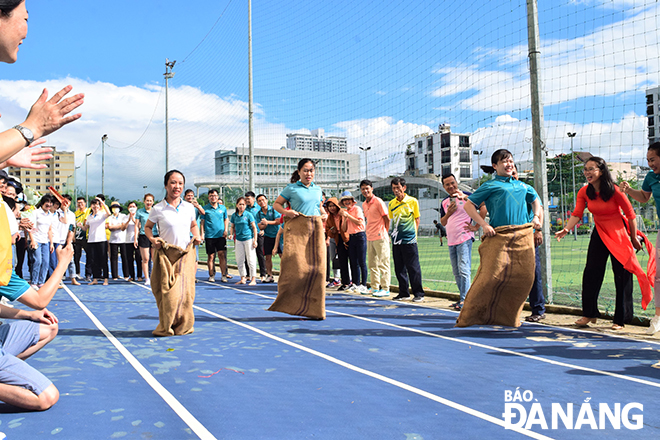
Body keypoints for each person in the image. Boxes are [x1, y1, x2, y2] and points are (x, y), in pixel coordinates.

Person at [557, 157, 651, 330]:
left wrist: (632, 238)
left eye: (591, 169)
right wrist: (566, 229)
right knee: (591, 272)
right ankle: (589, 314)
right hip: (599, 232)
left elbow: (630, 215)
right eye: (585, 169)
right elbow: (577, 213)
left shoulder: (615, 191)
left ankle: (620, 319)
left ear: (601, 171)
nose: (587, 173)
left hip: (619, 233)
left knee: (621, 275)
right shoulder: (584, 192)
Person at [460, 149, 543, 328]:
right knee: (491, 276)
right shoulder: (490, 186)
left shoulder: (522, 186)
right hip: (500, 237)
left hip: (523, 237)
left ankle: (510, 316)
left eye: (511, 161)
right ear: (495, 166)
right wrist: (484, 224)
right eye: (504, 161)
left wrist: (536, 217)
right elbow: (469, 205)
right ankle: (474, 314)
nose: (509, 164)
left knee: (525, 277)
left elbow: (536, 199)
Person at [144, 170, 201, 337]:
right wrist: (153, 239)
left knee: (186, 294)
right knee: (168, 294)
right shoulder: (158, 209)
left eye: (180, 183)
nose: (177, 187)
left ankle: (183, 325)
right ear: (166, 185)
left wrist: (197, 236)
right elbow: (147, 227)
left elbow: (192, 226)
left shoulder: (189, 207)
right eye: (173, 183)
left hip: (185, 255)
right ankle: (166, 326)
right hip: (166, 256)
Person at [269, 158, 327, 319]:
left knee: (319, 271)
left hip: (315, 232)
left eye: (311, 170)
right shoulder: (291, 188)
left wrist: (324, 214)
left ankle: (316, 309)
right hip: (297, 233)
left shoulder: (317, 189)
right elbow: (277, 204)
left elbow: (319, 206)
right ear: (299, 171)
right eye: (306, 170)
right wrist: (287, 213)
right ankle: (291, 303)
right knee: (297, 269)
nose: (309, 174)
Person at [620, 141, 660, 334]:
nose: (650, 164)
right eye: (648, 160)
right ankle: (658, 317)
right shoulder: (651, 177)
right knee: (658, 275)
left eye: (653, 159)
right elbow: (644, 197)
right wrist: (628, 191)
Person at [440, 174, 486, 310]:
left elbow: (483, 207)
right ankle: (462, 298)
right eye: (447, 184)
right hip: (451, 240)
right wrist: (448, 213)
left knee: (464, 269)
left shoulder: (467, 196)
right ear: (444, 187)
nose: (451, 186)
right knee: (456, 271)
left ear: (457, 182)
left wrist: (477, 226)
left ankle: (466, 300)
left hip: (464, 237)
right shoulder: (444, 202)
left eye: (452, 183)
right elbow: (443, 221)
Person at [388, 177, 424, 302]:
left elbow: (417, 218)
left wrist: (414, 235)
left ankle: (418, 293)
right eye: (394, 188)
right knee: (399, 267)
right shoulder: (392, 203)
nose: (396, 190)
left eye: (398, 188)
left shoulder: (412, 201)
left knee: (413, 267)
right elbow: (392, 220)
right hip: (397, 240)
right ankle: (403, 292)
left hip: (410, 240)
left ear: (404, 187)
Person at [360, 180, 391, 298]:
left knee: (384, 263)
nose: (365, 191)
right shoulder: (364, 204)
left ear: (372, 189)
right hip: (369, 236)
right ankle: (374, 287)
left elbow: (386, 218)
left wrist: (385, 232)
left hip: (380, 236)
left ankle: (385, 288)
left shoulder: (378, 201)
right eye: (363, 189)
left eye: (367, 188)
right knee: (372, 264)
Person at [339, 191, 368, 294]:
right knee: (353, 262)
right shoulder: (345, 212)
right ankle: (355, 283)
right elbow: (344, 228)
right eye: (344, 200)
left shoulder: (357, 209)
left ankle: (363, 284)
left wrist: (348, 216)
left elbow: (359, 222)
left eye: (348, 200)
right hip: (351, 237)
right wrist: (345, 218)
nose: (347, 202)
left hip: (360, 236)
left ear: (352, 201)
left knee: (361, 261)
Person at [200, 189, 229, 283]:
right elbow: (202, 222)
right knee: (211, 256)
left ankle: (223, 275)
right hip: (210, 236)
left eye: (215, 196)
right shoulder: (205, 208)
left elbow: (226, 219)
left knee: (222, 255)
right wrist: (202, 234)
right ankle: (211, 275)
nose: (213, 197)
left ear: (218, 197)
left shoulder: (223, 208)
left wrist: (225, 230)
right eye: (211, 196)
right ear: (209, 197)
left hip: (220, 236)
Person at [230, 197, 258, 286]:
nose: (241, 206)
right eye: (240, 204)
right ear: (237, 205)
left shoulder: (249, 215)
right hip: (238, 239)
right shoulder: (234, 216)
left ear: (245, 206)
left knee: (251, 259)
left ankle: (253, 278)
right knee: (239, 259)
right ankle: (243, 278)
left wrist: (255, 240)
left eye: (243, 204)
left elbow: (254, 228)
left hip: (249, 239)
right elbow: (232, 226)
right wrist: (231, 234)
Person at [324, 197, 350, 289]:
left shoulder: (342, 212)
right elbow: (328, 230)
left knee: (353, 261)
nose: (332, 208)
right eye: (330, 206)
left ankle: (355, 282)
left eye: (333, 206)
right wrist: (332, 231)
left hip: (347, 237)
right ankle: (345, 282)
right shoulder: (330, 217)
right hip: (338, 238)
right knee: (342, 261)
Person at [83, 196, 110, 286]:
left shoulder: (102, 214)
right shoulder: (89, 216)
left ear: (100, 206)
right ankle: (95, 279)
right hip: (91, 241)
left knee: (103, 259)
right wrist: (80, 226)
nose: (95, 207)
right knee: (93, 260)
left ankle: (106, 279)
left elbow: (109, 213)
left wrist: (102, 202)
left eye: (97, 205)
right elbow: (85, 228)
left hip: (101, 240)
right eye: (93, 205)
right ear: (91, 206)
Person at [30, 194, 55, 288]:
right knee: (38, 261)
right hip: (36, 240)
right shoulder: (35, 212)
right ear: (42, 202)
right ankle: (34, 282)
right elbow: (30, 227)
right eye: (47, 202)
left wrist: (51, 243)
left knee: (45, 262)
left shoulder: (50, 215)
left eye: (50, 202)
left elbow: (49, 230)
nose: (49, 204)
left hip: (45, 241)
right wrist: (32, 240)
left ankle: (41, 282)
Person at [256, 194, 281, 283]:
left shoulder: (273, 209)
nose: (261, 202)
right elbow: (259, 226)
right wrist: (263, 225)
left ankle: (284, 275)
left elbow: (278, 221)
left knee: (282, 256)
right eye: (259, 201)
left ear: (266, 200)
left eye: (263, 200)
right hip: (267, 237)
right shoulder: (259, 213)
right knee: (267, 257)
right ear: (257, 203)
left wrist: (267, 222)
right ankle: (269, 275)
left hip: (278, 236)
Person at [245, 191, 267, 281]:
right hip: (248, 235)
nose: (247, 201)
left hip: (258, 234)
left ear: (253, 199)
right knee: (247, 255)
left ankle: (263, 274)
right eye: (246, 199)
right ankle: (248, 274)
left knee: (260, 254)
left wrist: (263, 229)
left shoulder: (259, 208)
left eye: (248, 199)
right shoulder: (244, 209)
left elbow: (264, 220)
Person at [136, 193, 156, 285]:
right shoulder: (139, 212)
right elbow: (136, 226)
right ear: (144, 201)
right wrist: (135, 238)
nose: (149, 202)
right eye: (147, 200)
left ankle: (155, 277)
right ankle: (147, 278)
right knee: (146, 259)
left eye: (150, 201)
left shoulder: (155, 211)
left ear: (153, 202)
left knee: (155, 258)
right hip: (143, 236)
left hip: (154, 235)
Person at [106, 201, 128, 280]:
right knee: (113, 258)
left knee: (124, 257)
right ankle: (114, 275)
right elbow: (110, 227)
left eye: (117, 207)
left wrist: (117, 226)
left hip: (123, 239)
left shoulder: (123, 216)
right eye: (113, 208)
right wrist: (119, 226)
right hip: (113, 240)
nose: (115, 209)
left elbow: (124, 225)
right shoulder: (110, 217)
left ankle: (126, 275)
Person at [73, 197, 91, 281]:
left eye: (81, 203)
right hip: (77, 238)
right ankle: (77, 273)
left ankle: (88, 274)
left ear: (85, 203)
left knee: (89, 256)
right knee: (76, 256)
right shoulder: (75, 214)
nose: (80, 204)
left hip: (87, 237)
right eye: (78, 203)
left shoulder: (89, 211)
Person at [123, 201, 139, 281]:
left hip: (137, 240)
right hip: (128, 240)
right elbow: (123, 228)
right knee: (129, 259)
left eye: (133, 206)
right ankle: (132, 275)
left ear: (136, 208)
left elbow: (139, 226)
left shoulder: (138, 216)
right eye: (130, 206)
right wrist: (129, 219)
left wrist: (133, 219)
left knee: (138, 258)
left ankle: (139, 275)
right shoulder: (125, 217)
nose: (132, 208)